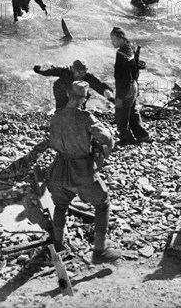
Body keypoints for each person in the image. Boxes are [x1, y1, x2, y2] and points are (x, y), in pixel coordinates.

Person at [48, 81, 121, 262]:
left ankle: (57, 245)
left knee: (60, 205)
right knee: (102, 203)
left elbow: (53, 142)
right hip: (81, 170)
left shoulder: (56, 116)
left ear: (66, 94)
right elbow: (106, 137)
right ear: (84, 98)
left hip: (59, 167)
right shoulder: (86, 117)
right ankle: (99, 250)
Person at [110, 27, 151, 146]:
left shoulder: (120, 53)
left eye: (114, 40)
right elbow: (135, 70)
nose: (112, 42)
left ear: (121, 39)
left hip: (126, 88)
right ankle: (142, 135)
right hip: (134, 85)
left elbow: (123, 77)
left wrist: (120, 96)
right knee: (132, 112)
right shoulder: (131, 48)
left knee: (121, 115)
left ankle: (126, 139)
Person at [34, 59, 114, 109]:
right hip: (62, 91)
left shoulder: (88, 76)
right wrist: (39, 69)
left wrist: (111, 97)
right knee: (62, 109)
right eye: (78, 72)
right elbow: (53, 70)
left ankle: (79, 111)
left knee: (83, 96)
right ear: (72, 69)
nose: (81, 74)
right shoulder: (65, 70)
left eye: (83, 72)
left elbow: (99, 86)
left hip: (76, 93)